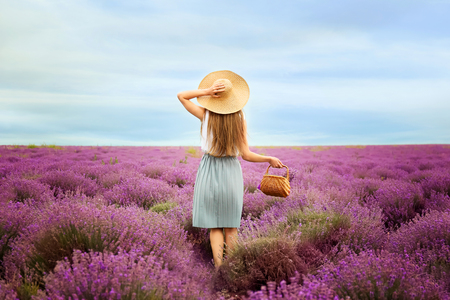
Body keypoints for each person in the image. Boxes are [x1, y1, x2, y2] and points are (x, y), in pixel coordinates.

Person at [177, 70, 283, 270]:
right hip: (231, 172)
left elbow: (181, 96)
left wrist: (207, 91)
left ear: (215, 98)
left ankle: (219, 268)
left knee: (215, 225)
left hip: (208, 169)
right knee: (231, 226)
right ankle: (231, 269)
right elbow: (246, 154)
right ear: (234, 99)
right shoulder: (239, 121)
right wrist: (268, 158)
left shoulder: (205, 115)